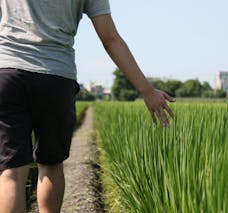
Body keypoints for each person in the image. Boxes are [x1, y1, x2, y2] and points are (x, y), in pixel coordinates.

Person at [0, 0, 175, 212]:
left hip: (8, 74)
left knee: (12, 172)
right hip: (56, 77)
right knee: (51, 164)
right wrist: (147, 90)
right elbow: (110, 38)